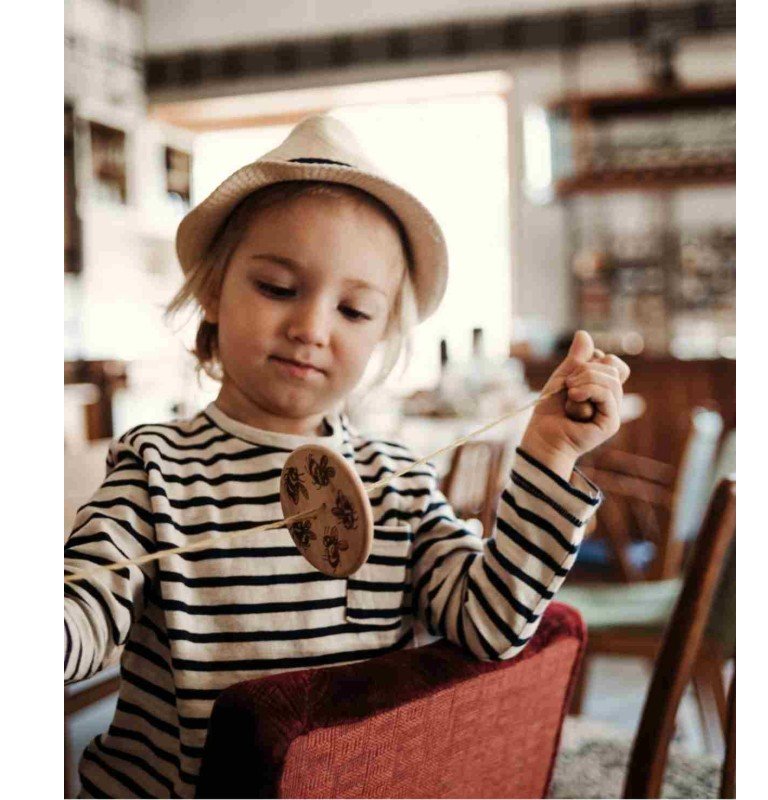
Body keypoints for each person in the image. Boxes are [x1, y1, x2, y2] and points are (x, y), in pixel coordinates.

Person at [64, 115, 630, 798]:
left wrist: (549, 454)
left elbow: (494, 626)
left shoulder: (400, 486)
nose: (311, 328)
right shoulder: (153, 469)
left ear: (385, 334)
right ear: (213, 291)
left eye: (355, 311)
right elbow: (81, 617)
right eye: (277, 288)